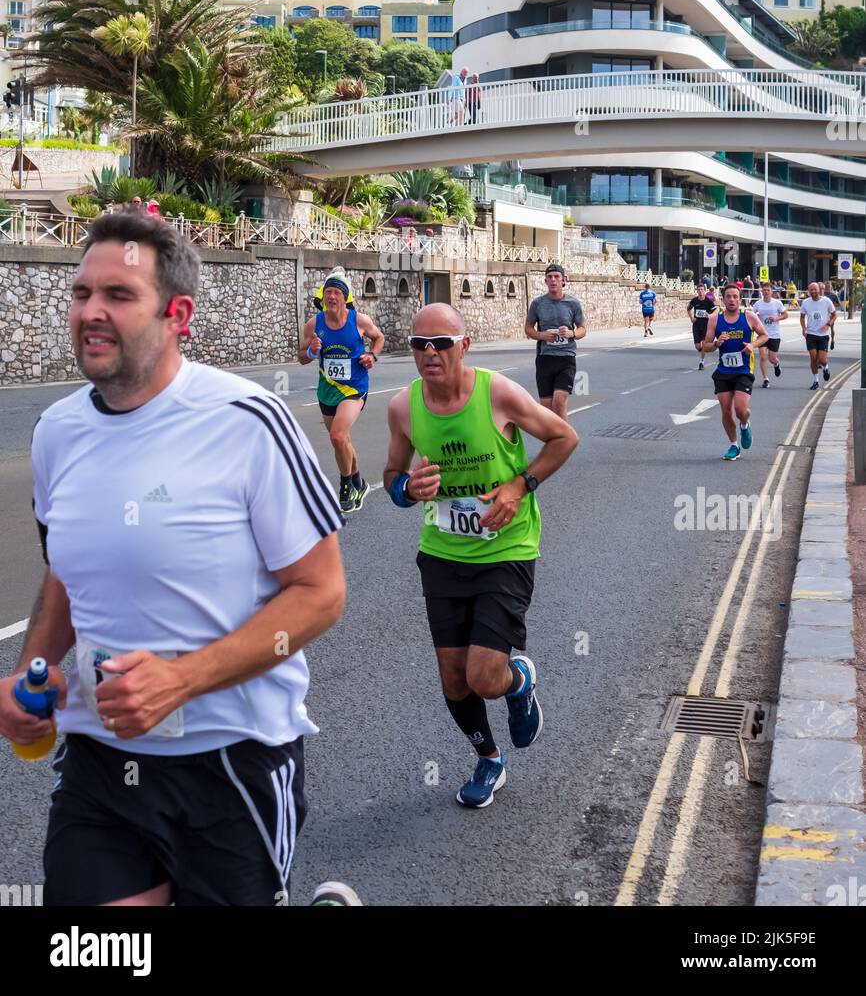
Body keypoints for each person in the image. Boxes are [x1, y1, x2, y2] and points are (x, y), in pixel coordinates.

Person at [0, 210, 346, 907]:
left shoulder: (248, 421)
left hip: (231, 762)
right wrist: (29, 675)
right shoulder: (57, 433)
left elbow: (321, 592)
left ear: (176, 314)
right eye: (81, 294)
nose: (90, 312)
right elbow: (66, 572)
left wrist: (182, 680)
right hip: (100, 764)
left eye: (118, 296)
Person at [383, 304, 578, 809]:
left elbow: (564, 436)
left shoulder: (497, 393)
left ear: (463, 346)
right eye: (419, 344)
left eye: (441, 343)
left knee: (484, 676)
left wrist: (520, 484)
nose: (429, 353)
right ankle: (489, 759)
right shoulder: (403, 408)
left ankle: (519, 682)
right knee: (452, 677)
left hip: (505, 550)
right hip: (443, 554)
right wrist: (408, 488)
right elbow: (390, 478)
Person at [299, 272, 384, 512]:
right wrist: (314, 352)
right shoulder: (314, 324)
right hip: (327, 390)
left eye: (336, 292)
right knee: (342, 440)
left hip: (354, 389)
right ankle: (359, 481)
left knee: (337, 436)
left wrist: (372, 355)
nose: (331, 296)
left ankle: (346, 485)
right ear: (324, 297)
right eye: (328, 292)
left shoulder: (359, 320)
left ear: (344, 297)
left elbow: (379, 337)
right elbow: (301, 357)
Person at [702, 282, 769, 460]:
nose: (732, 300)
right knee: (725, 411)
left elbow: (764, 335)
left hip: (744, 370)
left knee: (740, 409)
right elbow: (705, 346)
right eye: (728, 297)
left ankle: (745, 425)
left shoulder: (749, 317)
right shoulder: (715, 320)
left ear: (740, 300)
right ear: (723, 300)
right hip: (724, 371)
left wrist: (752, 344)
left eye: (735, 297)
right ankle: (733, 445)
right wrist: (716, 343)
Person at [524, 263, 587, 418]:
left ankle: (565, 440)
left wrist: (571, 333)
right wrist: (542, 335)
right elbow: (528, 328)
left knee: (558, 403)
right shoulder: (538, 304)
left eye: (556, 277)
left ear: (563, 280)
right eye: (550, 277)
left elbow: (583, 329)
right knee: (546, 409)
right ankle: (553, 439)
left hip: (566, 358)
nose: (553, 280)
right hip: (545, 358)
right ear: (545, 281)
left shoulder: (573, 303)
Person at [801, 281, 836, 390]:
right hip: (811, 334)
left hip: (823, 335)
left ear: (819, 290)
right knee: (813, 357)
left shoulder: (826, 301)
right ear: (809, 291)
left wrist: (828, 324)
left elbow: (835, 315)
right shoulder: (806, 302)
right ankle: (816, 381)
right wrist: (804, 328)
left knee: (822, 360)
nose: (813, 291)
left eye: (815, 289)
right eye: (811, 290)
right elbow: (802, 317)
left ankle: (825, 367)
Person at [752, 282, 788, 388]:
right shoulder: (758, 304)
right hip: (762, 334)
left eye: (768, 290)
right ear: (761, 292)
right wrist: (756, 317)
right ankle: (766, 379)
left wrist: (776, 318)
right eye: (764, 290)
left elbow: (786, 315)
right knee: (763, 356)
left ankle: (776, 364)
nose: (766, 292)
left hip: (774, 335)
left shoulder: (777, 303)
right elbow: (751, 315)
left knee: (772, 358)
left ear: (771, 291)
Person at [686, 282, 716, 370]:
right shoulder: (694, 300)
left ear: (705, 291)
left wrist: (710, 316)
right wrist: (691, 317)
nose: (700, 291)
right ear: (697, 291)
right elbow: (688, 309)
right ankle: (704, 349)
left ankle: (701, 362)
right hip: (696, 325)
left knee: (704, 342)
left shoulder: (708, 301)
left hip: (706, 325)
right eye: (698, 290)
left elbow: (716, 310)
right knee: (698, 346)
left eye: (702, 290)